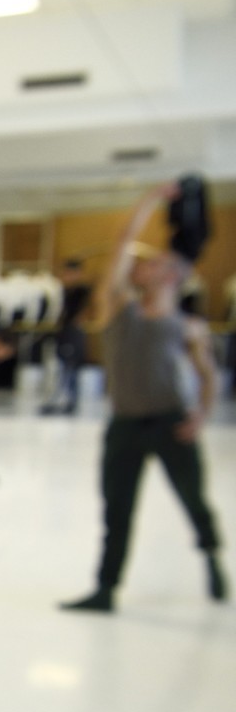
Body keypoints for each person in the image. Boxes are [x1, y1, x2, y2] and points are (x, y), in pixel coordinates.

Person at [62, 182, 225, 613]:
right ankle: (106, 588)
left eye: (154, 264)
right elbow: (122, 243)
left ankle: (211, 554)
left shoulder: (188, 327)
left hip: (172, 423)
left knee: (193, 500)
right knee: (117, 509)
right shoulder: (117, 306)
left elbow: (209, 377)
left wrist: (201, 416)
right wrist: (152, 199)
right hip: (125, 426)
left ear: (173, 276)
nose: (142, 266)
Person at [40, 259, 93, 416]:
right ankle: (59, 400)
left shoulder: (82, 291)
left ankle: (66, 401)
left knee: (69, 369)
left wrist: (77, 322)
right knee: (60, 367)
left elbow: (86, 311)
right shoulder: (63, 291)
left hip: (73, 333)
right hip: (63, 332)